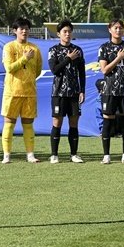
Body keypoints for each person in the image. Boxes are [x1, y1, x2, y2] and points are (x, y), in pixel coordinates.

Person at [1, 17, 43, 164]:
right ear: (15, 31)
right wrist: (24, 59)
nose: (24, 31)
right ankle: (6, 155)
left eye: (26, 29)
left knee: (28, 124)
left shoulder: (35, 49)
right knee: (9, 123)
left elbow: (37, 70)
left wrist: (28, 79)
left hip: (29, 92)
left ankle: (30, 154)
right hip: (12, 91)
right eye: (21, 29)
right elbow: (9, 68)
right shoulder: (9, 47)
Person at [98, 19, 124, 164]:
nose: (118, 30)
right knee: (108, 122)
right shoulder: (104, 48)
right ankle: (106, 155)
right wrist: (118, 58)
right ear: (110, 30)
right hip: (109, 91)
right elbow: (104, 70)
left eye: (121, 28)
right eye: (115, 28)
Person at [48, 19, 86, 164]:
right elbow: (54, 70)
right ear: (58, 34)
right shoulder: (54, 50)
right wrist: (68, 59)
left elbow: (81, 73)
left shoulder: (78, 50)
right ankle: (54, 154)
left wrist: (82, 90)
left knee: (74, 123)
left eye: (69, 31)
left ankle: (74, 154)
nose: (67, 34)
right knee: (57, 123)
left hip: (74, 94)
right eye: (64, 31)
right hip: (58, 93)